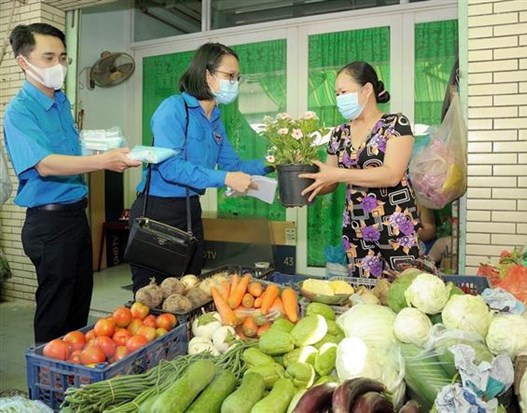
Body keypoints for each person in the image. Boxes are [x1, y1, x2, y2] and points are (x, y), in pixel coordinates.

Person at [3, 23, 142, 343]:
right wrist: (102, 161)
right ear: (23, 62)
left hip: (74, 215)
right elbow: (45, 163)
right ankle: (48, 384)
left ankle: (75, 375)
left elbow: (71, 151)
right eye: (48, 57)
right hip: (49, 222)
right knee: (56, 312)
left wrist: (107, 151)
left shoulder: (61, 102)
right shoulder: (19, 112)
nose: (59, 66)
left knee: (79, 304)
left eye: (63, 57)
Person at [129, 42, 272, 293]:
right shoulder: (173, 109)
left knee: (191, 290)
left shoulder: (215, 119)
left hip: (190, 211)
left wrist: (273, 163)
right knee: (154, 296)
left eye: (238, 77)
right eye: (229, 76)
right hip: (158, 211)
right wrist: (226, 178)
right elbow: (170, 168)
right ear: (207, 75)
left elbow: (234, 165)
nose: (235, 82)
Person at [300, 61, 421, 278]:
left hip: (395, 226)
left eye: (344, 92)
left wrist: (338, 173)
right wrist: (309, 185)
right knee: (365, 296)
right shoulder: (339, 133)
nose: (339, 99)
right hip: (356, 229)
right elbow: (331, 179)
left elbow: (391, 175)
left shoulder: (395, 124)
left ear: (367, 90)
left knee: (405, 291)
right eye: (337, 94)